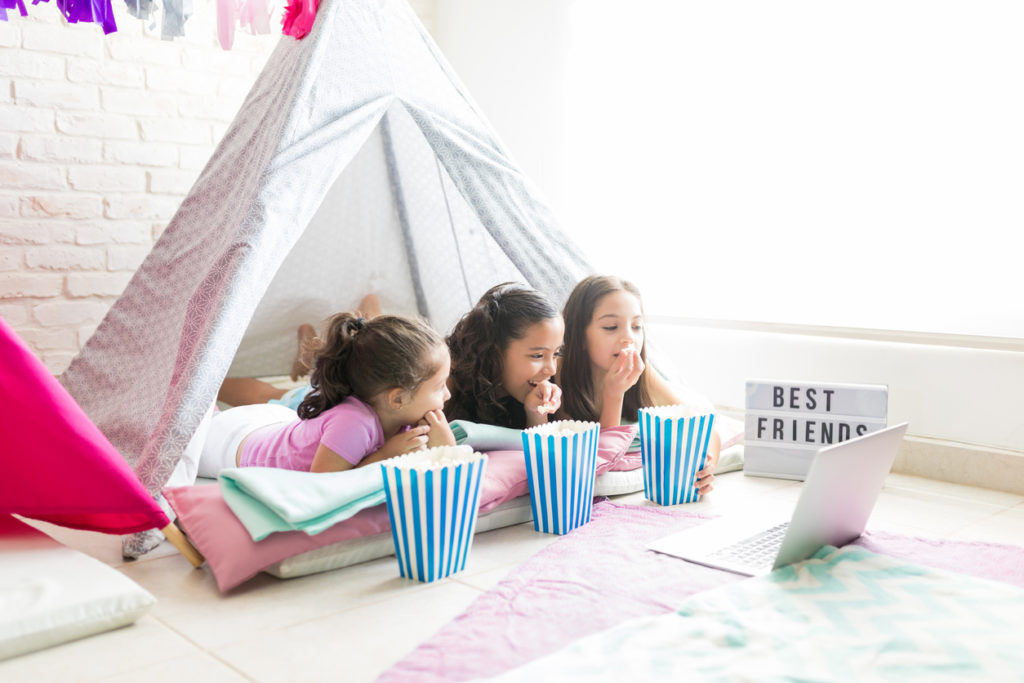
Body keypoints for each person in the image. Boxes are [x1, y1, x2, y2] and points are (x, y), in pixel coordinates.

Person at [197, 312, 455, 476]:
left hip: (272, 423)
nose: (447, 396)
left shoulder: (403, 418)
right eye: (439, 386)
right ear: (397, 398)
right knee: (196, 427)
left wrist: (444, 446)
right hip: (228, 445)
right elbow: (324, 485)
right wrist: (384, 456)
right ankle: (200, 388)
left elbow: (447, 471)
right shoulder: (354, 423)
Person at [557, 274, 720, 494]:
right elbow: (602, 460)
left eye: (636, 326)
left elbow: (703, 429)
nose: (628, 338)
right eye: (611, 327)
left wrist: (708, 467)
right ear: (579, 335)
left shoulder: (642, 372)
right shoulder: (557, 373)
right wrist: (613, 395)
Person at [444, 282, 564, 429]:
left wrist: (536, 413)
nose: (551, 370)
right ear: (495, 351)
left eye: (556, 353)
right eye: (538, 356)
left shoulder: (543, 391)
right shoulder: (446, 388)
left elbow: (537, 448)